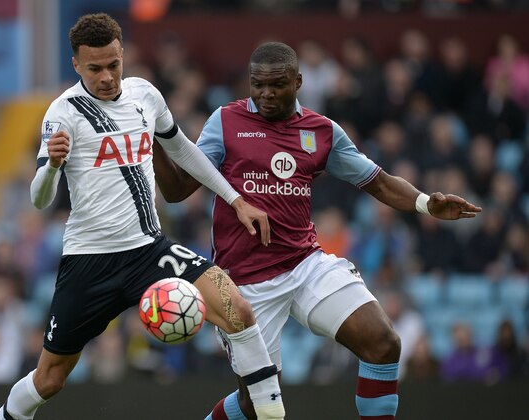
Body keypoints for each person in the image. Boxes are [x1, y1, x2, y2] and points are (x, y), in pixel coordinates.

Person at [153, 41, 482, 420]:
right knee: (257, 407)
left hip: (304, 264)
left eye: (276, 85)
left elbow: (378, 181)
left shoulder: (321, 132)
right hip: (244, 286)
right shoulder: (225, 123)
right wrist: (156, 137)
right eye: (257, 84)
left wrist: (426, 203)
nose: (265, 94)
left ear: (298, 81)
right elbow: (178, 192)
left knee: (383, 342)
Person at [0, 14, 285, 420]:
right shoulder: (62, 114)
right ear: (76, 65)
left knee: (238, 307)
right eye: (95, 68)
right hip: (89, 261)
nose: (107, 76)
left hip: (150, 250)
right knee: (50, 380)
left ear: (122, 54)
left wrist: (235, 199)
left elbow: (182, 150)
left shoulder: (145, 94)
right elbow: (40, 200)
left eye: (114, 64)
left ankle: (272, 411)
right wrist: (52, 167)